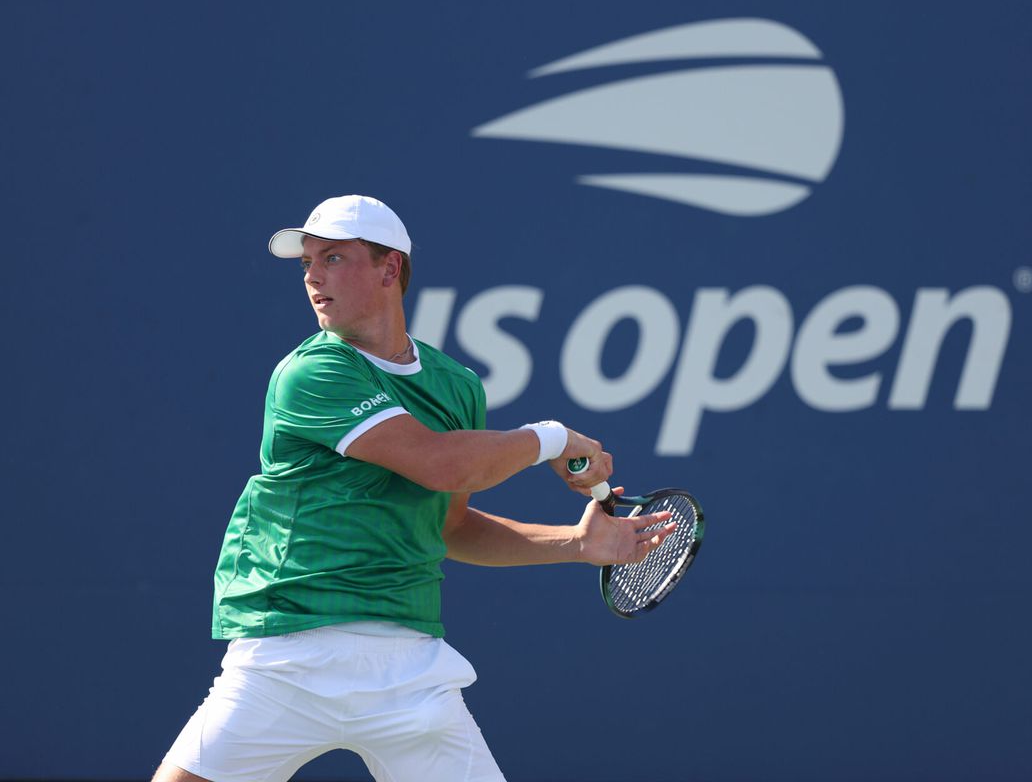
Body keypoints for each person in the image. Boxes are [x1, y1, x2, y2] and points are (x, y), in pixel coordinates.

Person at [154, 195, 674, 782]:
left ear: (389, 268)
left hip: (408, 666)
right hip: (290, 652)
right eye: (306, 263)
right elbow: (439, 464)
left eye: (331, 257)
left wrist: (575, 545)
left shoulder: (457, 386)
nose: (312, 276)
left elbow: (450, 526)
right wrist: (549, 438)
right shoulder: (311, 373)